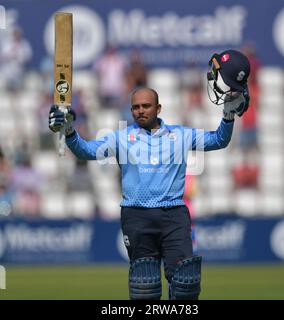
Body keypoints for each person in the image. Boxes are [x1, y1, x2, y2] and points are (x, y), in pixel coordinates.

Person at [49, 49, 251, 300]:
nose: (140, 111)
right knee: (144, 287)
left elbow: (219, 140)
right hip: (136, 215)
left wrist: (229, 115)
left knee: (186, 284)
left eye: (146, 106)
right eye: (135, 107)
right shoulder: (122, 138)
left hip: (174, 215)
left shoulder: (181, 135)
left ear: (158, 107)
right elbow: (86, 151)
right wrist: (69, 131)